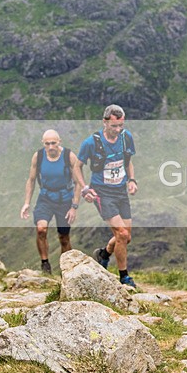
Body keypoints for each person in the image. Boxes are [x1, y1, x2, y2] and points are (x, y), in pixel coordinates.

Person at [76, 104, 138, 287]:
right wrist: (85, 187)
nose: (118, 130)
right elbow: (77, 166)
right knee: (121, 233)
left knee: (126, 238)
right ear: (104, 122)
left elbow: (128, 162)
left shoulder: (126, 138)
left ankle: (104, 253)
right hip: (102, 192)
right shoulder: (90, 143)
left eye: (121, 126)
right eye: (114, 126)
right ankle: (124, 277)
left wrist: (132, 180)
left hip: (121, 191)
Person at [20, 130, 83, 274]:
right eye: (47, 144)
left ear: (59, 141)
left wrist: (74, 207)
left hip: (65, 200)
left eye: (53, 143)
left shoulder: (69, 156)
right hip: (45, 198)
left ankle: (66, 270)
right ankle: (45, 264)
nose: (50, 147)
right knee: (41, 229)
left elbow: (78, 182)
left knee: (64, 237)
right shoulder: (39, 156)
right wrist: (26, 203)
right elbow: (31, 180)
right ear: (43, 143)